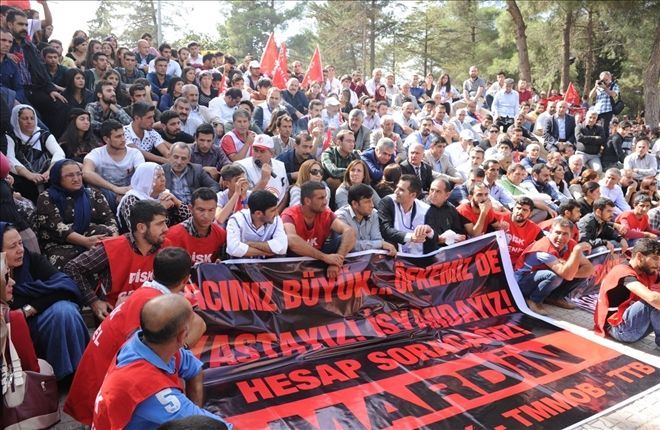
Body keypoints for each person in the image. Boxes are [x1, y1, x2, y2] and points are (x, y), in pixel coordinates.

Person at [64, 248, 206, 425]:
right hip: (104, 394)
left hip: (99, 382)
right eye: (160, 223)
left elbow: (199, 322)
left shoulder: (149, 296)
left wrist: (180, 351)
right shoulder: (152, 306)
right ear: (185, 280)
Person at [92, 294, 233, 430]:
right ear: (182, 336)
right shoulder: (150, 391)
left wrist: (195, 416)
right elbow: (223, 428)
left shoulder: (144, 342)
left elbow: (194, 369)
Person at [0, 222, 89, 381]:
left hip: (41, 324)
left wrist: (29, 309)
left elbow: (65, 286)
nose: (20, 249)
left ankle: (75, 377)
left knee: (64, 311)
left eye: (21, 242)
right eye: (13, 246)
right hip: (11, 336)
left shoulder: (31, 260)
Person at [64, 200, 171, 318]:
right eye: (160, 224)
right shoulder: (112, 247)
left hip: (156, 315)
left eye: (165, 223)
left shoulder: (167, 246)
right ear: (141, 228)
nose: (166, 229)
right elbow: (72, 268)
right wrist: (94, 302)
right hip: (116, 316)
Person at [35, 159, 117, 269]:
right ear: (57, 178)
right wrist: (86, 242)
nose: (76, 179)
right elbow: (58, 228)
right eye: (70, 176)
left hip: (92, 240)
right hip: (61, 243)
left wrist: (114, 240)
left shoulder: (93, 194)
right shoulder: (47, 198)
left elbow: (109, 219)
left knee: (105, 234)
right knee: (63, 261)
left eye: (79, 174)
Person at [515, 219, 595, 315]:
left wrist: (571, 270)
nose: (560, 237)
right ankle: (533, 300)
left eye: (565, 234)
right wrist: (576, 252)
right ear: (550, 232)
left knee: (579, 273)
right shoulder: (544, 248)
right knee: (554, 276)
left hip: (543, 276)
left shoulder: (571, 244)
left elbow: (589, 269)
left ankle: (554, 297)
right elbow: (566, 274)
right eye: (557, 232)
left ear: (571, 236)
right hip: (521, 284)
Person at [282, 181, 356, 278]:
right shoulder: (289, 214)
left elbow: (349, 231)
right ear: (307, 201)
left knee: (345, 239)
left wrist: (336, 262)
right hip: (295, 260)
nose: (325, 202)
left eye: (325, 197)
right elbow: (292, 241)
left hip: (318, 256)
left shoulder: (325, 213)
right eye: (321, 198)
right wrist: (325, 257)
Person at [594, 238, 659, 346]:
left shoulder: (646, 271)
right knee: (653, 300)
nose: (658, 264)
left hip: (631, 326)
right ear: (640, 257)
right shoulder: (622, 271)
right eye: (655, 259)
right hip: (617, 328)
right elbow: (652, 298)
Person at [5, 104, 65, 202]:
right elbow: (10, 158)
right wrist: (29, 175)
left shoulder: (44, 135)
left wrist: (49, 172)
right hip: (23, 177)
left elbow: (59, 153)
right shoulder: (10, 137)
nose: (29, 122)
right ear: (16, 120)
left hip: (45, 173)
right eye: (25, 118)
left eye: (32, 118)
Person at [377, 174, 435, 255]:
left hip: (417, 258)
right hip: (394, 256)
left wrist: (429, 230)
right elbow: (386, 230)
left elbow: (434, 236)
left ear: (413, 195)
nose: (396, 191)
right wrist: (411, 237)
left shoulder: (425, 209)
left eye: (401, 190)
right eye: (397, 187)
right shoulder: (387, 202)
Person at [165, 188, 226, 263]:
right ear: (191, 209)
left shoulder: (221, 234)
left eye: (211, 210)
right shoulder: (173, 235)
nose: (206, 216)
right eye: (201, 210)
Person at [335, 184, 397, 255]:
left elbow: (377, 239)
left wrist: (381, 244)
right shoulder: (341, 217)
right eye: (367, 202)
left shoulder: (373, 214)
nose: (372, 205)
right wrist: (380, 244)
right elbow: (350, 246)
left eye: (371, 200)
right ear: (354, 204)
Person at [226, 190, 288, 258]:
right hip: (239, 266)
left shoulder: (276, 219)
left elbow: (282, 247)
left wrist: (252, 244)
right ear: (258, 213)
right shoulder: (236, 220)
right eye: (273, 210)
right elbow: (234, 249)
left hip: (267, 266)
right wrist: (265, 252)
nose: (276, 214)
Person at [235, 134, 289, 206]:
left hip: (276, 212)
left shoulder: (280, 165)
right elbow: (245, 201)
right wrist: (263, 181)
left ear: (271, 153)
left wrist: (276, 213)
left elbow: (285, 193)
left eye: (262, 151)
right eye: (256, 150)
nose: (258, 155)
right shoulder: (241, 166)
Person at [424, 178, 467, 250]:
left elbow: (458, 230)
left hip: (449, 250)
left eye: (438, 191)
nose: (433, 194)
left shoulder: (451, 209)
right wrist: (437, 240)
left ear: (447, 195)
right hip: (428, 252)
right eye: (432, 190)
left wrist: (458, 237)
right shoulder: (421, 208)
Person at [505, 197, 543, 263]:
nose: (520, 212)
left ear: (530, 214)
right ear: (513, 208)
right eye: (518, 208)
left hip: (514, 265)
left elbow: (546, 243)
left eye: (525, 210)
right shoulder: (501, 218)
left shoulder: (535, 229)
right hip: (493, 259)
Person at [589, 71, 620, 137]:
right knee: (590, 125)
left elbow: (613, 94)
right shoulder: (599, 86)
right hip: (597, 110)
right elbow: (591, 96)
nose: (605, 81)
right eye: (603, 80)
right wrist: (595, 87)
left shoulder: (614, 85)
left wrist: (605, 88)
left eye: (606, 80)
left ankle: (604, 143)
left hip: (607, 110)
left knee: (604, 128)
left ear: (610, 78)